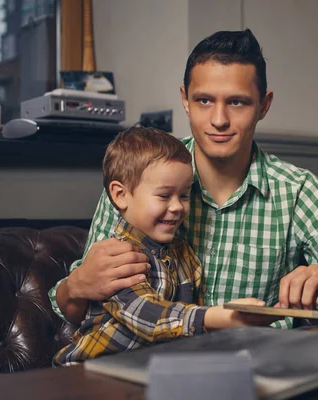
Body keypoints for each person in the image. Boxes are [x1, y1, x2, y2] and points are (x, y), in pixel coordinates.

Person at [49, 29, 318, 329]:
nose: (218, 119)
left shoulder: (297, 191)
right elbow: (73, 305)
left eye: (237, 103)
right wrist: (75, 286)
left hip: (255, 371)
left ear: (263, 105)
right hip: (145, 368)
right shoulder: (138, 177)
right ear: (185, 100)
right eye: (204, 100)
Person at [53, 127, 274, 366]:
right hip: (91, 371)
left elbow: (188, 322)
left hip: (149, 369)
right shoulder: (116, 257)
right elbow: (147, 315)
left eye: (185, 195)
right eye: (164, 196)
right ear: (120, 195)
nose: (178, 206)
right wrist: (217, 316)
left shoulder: (184, 255)